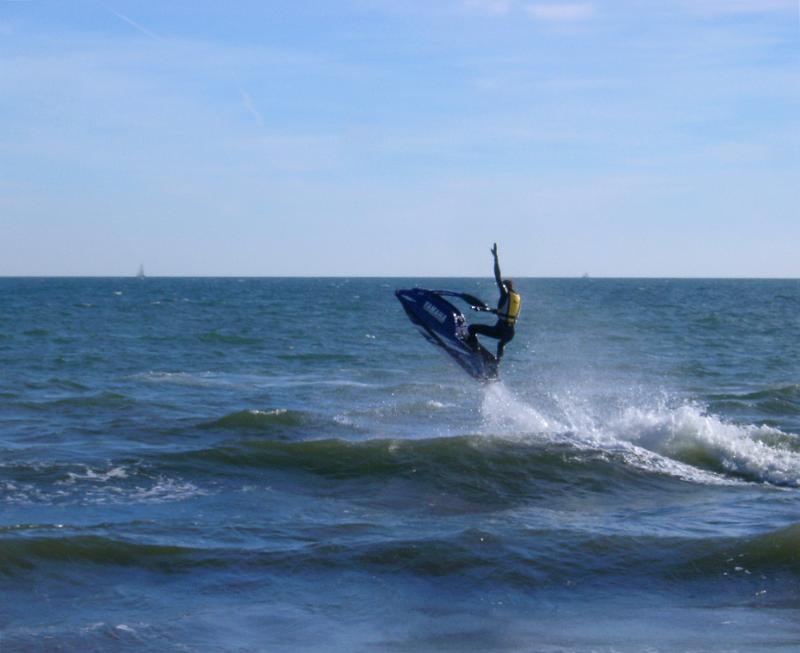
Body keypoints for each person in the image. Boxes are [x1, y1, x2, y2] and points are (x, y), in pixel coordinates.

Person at [467, 243, 521, 360]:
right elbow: (500, 312)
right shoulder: (516, 298)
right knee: (501, 344)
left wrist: (496, 258)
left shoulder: (505, 293)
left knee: (472, 328)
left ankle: (474, 353)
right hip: (510, 333)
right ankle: (497, 362)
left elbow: (498, 276)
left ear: (505, 287)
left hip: (501, 330)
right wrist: (481, 309)